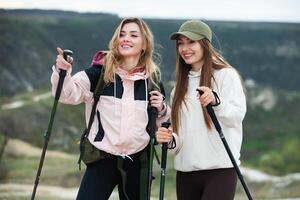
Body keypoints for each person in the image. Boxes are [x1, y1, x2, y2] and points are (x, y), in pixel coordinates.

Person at [51, 17, 170, 200]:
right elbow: (67, 94)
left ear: (144, 44)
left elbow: (160, 125)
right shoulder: (98, 74)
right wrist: (63, 73)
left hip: (137, 162)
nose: (126, 38)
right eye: (122, 34)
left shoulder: (152, 81)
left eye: (133, 35)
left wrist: (161, 109)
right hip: (101, 159)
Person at [156, 20, 247, 200]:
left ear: (205, 43)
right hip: (186, 172)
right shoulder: (178, 89)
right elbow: (179, 138)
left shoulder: (225, 75)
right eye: (181, 43)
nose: (185, 48)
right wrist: (169, 139)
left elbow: (236, 117)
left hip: (220, 170)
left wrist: (216, 102)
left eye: (191, 42)